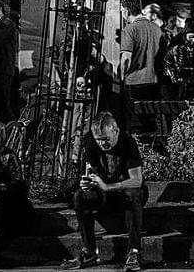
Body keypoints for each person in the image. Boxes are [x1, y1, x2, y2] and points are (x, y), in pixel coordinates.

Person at [61, 112, 146, 271]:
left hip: (123, 192)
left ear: (116, 131)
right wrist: (87, 183)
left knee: (134, 193)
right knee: (80, 195)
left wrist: (108, 187)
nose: (102, 144)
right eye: (99, 140)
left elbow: (137, 180)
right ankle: (89, 251)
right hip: (103, 194)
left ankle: (134, 251)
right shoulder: (91, 142)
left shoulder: (127, 142)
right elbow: (89, 171)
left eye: (106, 139)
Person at [120, 0, 162, 135]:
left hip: (134, 81)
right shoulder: (156, 29)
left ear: (126, 11)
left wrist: (121, 76)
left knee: (136, 121)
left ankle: (139, 150)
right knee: (151, 119)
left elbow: (126, 58)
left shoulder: (130, 29)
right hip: (153, 80)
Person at [162, 18, 194, 99]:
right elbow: (180, 66)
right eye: (191, 37)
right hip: (172, 81)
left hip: (183, 80)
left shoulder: (193, 47)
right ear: (185, 35)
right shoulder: (178, 47)